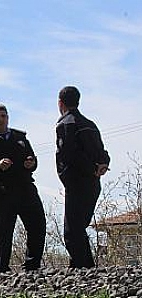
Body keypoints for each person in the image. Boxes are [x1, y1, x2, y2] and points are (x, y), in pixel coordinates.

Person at [0, 104, 46, 273]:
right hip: (2, 191)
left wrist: (31, 163)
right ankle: (2, 268)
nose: (0, 119)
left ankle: (32, 266)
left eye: (3, 116)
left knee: (38, 225)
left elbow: (32, 159)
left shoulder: (20, 137)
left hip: (25, 188)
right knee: (3, 232)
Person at [56, 86, 110, 269]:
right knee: (79, 226)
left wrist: (88, 169)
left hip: (78, 181)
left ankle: (84, 268)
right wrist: (102, 165)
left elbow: (69, 154)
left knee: (72, 231)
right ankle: (79, 266)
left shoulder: (66, 123)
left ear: (60, 103)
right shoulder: (90, 124)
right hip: (93, 182)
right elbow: (101, 151)